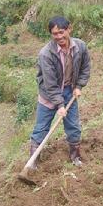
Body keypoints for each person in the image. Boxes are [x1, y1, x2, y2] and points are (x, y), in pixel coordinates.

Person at [29, 16, 91, 168]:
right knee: (41, 127)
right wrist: (59, 105)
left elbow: (85, 68)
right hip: (48, 95)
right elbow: (50, 84)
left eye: (61, 32)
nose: (58, 37)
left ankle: (75, 156)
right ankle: (33, 162)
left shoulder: (80, 47)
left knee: (73, 126)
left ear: (69, 29)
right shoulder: (46, 54)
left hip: (70, 91)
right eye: (54, 34)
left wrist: (79, 86)